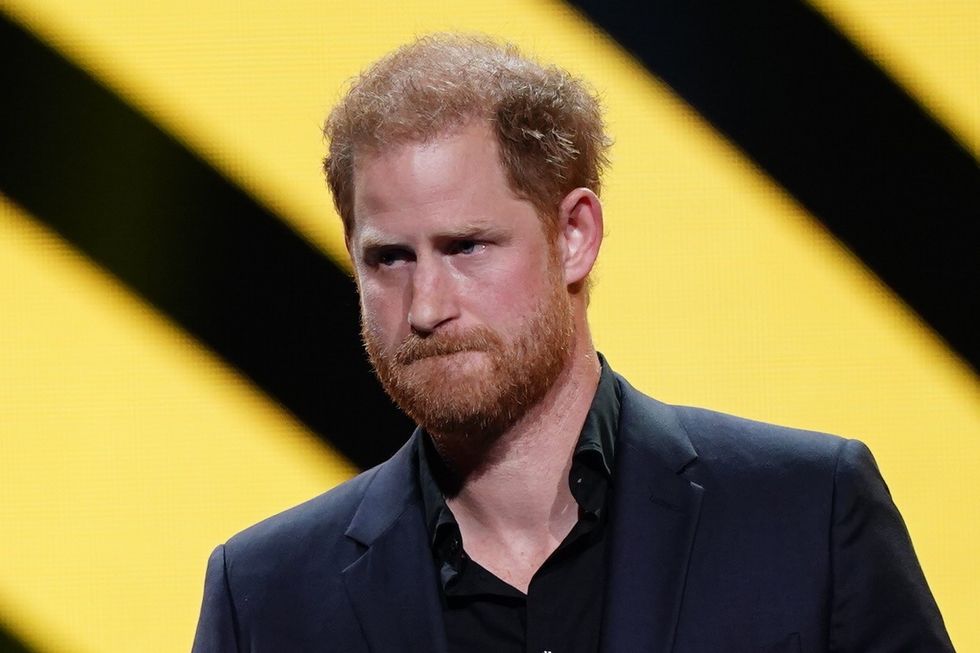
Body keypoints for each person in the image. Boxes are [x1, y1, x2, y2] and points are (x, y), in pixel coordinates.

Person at [191, 34, 953, 652]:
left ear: (575, 235)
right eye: (389, 258)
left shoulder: (805, 514)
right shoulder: (267, 596)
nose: (424, 306)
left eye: (467, 246)